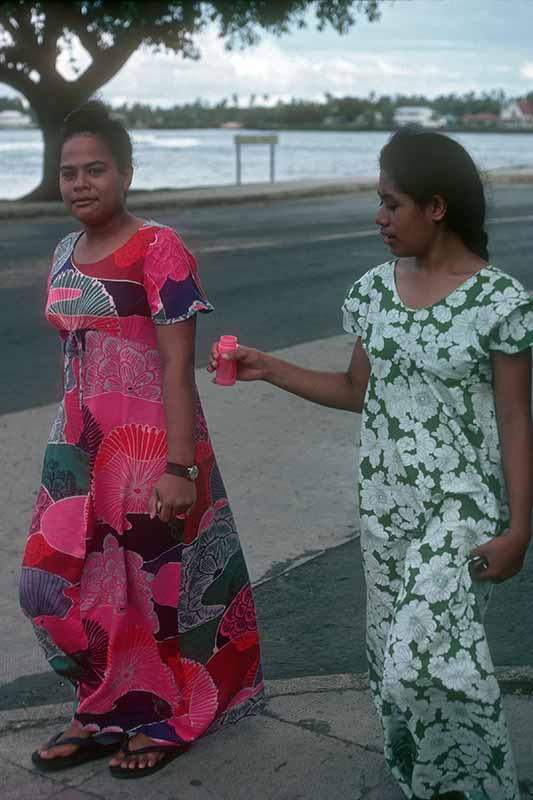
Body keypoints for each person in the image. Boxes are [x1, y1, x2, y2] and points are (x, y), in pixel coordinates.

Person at [208, 130, 533, 800]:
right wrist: (267, 367)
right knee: (395, 659)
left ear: (435, 206)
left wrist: (519, 528)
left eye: (390, 204)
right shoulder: (371, 294)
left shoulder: (499, 301)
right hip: (385, 507)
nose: (377, 218)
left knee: (428, 658)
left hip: (462, 506)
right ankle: (426, 777)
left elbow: (514, 419)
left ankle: (475, 786)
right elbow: (357, 392)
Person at [20, 101, 264, 779]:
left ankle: (171, 717)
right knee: (58, 585)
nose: (79, 183)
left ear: (126, 173)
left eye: (95, 169)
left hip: (155, 447)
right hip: (78, 446)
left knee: (160, 594)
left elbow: (173, 367)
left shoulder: (158, 247)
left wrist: (178, 467)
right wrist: (68, 440)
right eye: (68, 172)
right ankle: (104, 708)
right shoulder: (64, 251)